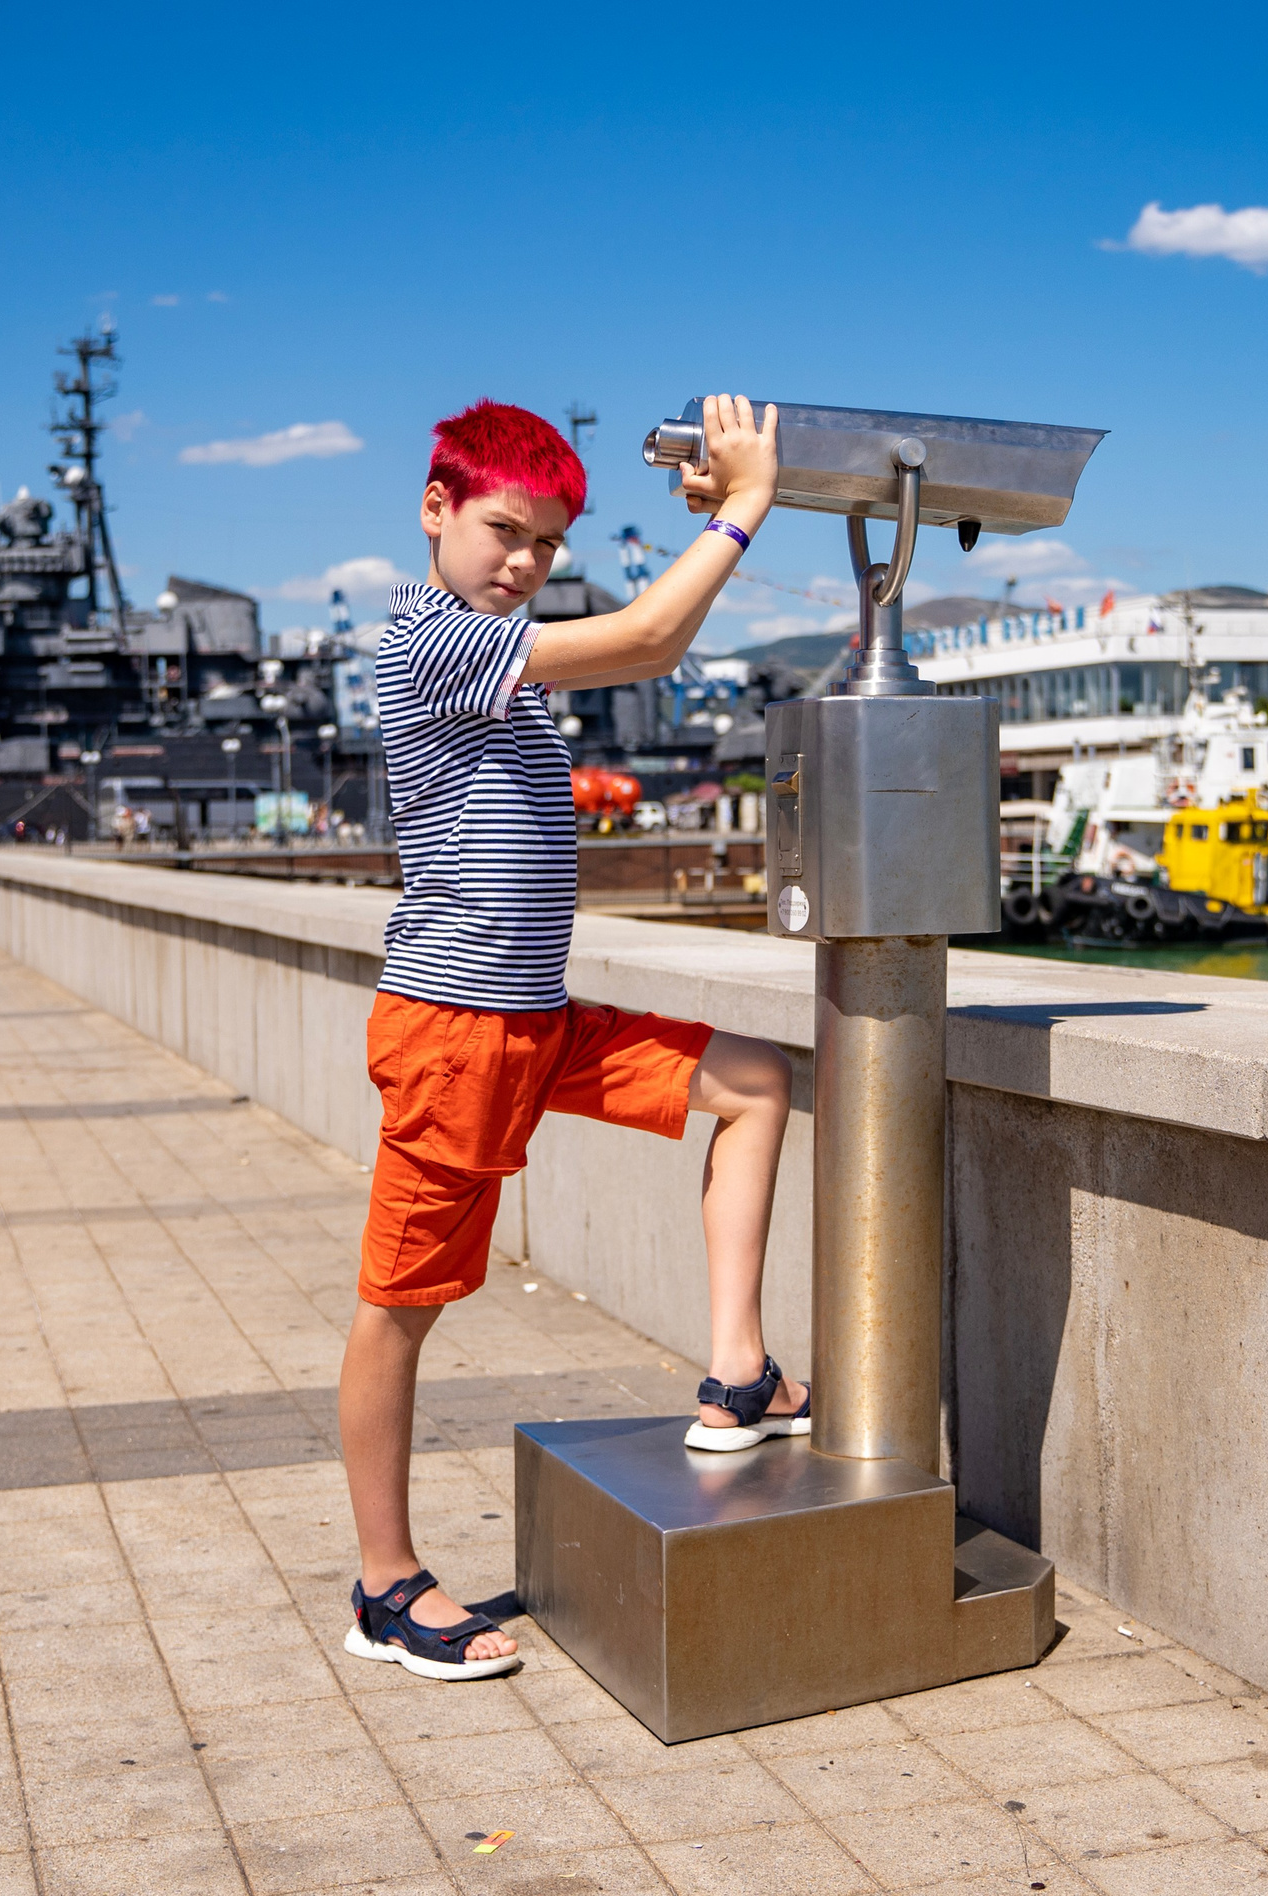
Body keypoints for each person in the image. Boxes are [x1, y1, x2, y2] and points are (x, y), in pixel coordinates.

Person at [338, 397, 796, 1683]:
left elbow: (646, 631)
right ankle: (384, 1587)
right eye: (501, 531)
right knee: (400, 1312)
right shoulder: (432, 643)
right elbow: (650, 637)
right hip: (455, 1029)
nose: (524, 563)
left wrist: (712, 522)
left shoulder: (495, 637)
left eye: (543, 542)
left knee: (754, 1082)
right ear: (435, 510)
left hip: (537, 1018)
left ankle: (737, 1373)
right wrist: (748, 508)